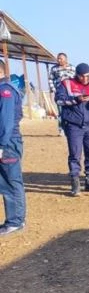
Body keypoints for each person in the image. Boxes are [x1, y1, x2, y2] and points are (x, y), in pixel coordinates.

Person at [55, 63, 89, 196]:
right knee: (75, 154)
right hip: (74, 125)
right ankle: (75, 183)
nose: (85, 79)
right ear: (76, 74)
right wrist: (76, 100)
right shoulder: (66, 84)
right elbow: (59, 101)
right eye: (82, 76)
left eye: (87, 76)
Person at [0, 61, 26, 237]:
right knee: (5, 181)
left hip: (7, 143)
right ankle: (14, 219)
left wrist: (1, 145)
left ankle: (16, 221)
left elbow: (6, 121)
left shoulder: (5, 91)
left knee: (11, 181)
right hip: (6, 141)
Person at [48, 52, 75, 136]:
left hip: (71, 94)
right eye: (58, 59)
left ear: (66, 59)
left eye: (61, 59)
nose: (59, 60)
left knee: (72, 111)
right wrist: (54, 90)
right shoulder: (54, 69)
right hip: (59, 94)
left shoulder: (72, 68)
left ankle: (71, 129)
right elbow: (50, 79)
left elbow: (77, 79)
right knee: (61, 112)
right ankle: (61, 130)